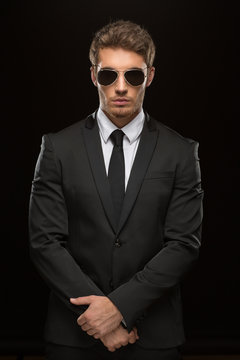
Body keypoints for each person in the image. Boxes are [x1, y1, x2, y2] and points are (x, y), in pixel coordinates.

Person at [29, 20, 203, 360]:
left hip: (154, 338)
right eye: (109, 75)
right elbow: (44, 242)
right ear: (94, 76)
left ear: (149, 76)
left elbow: (184, 244)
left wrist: (119, 308)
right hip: (73, 334)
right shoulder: (57, 148)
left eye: (133, 76)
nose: (120, 87)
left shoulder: (181, 152)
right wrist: (102, 318)